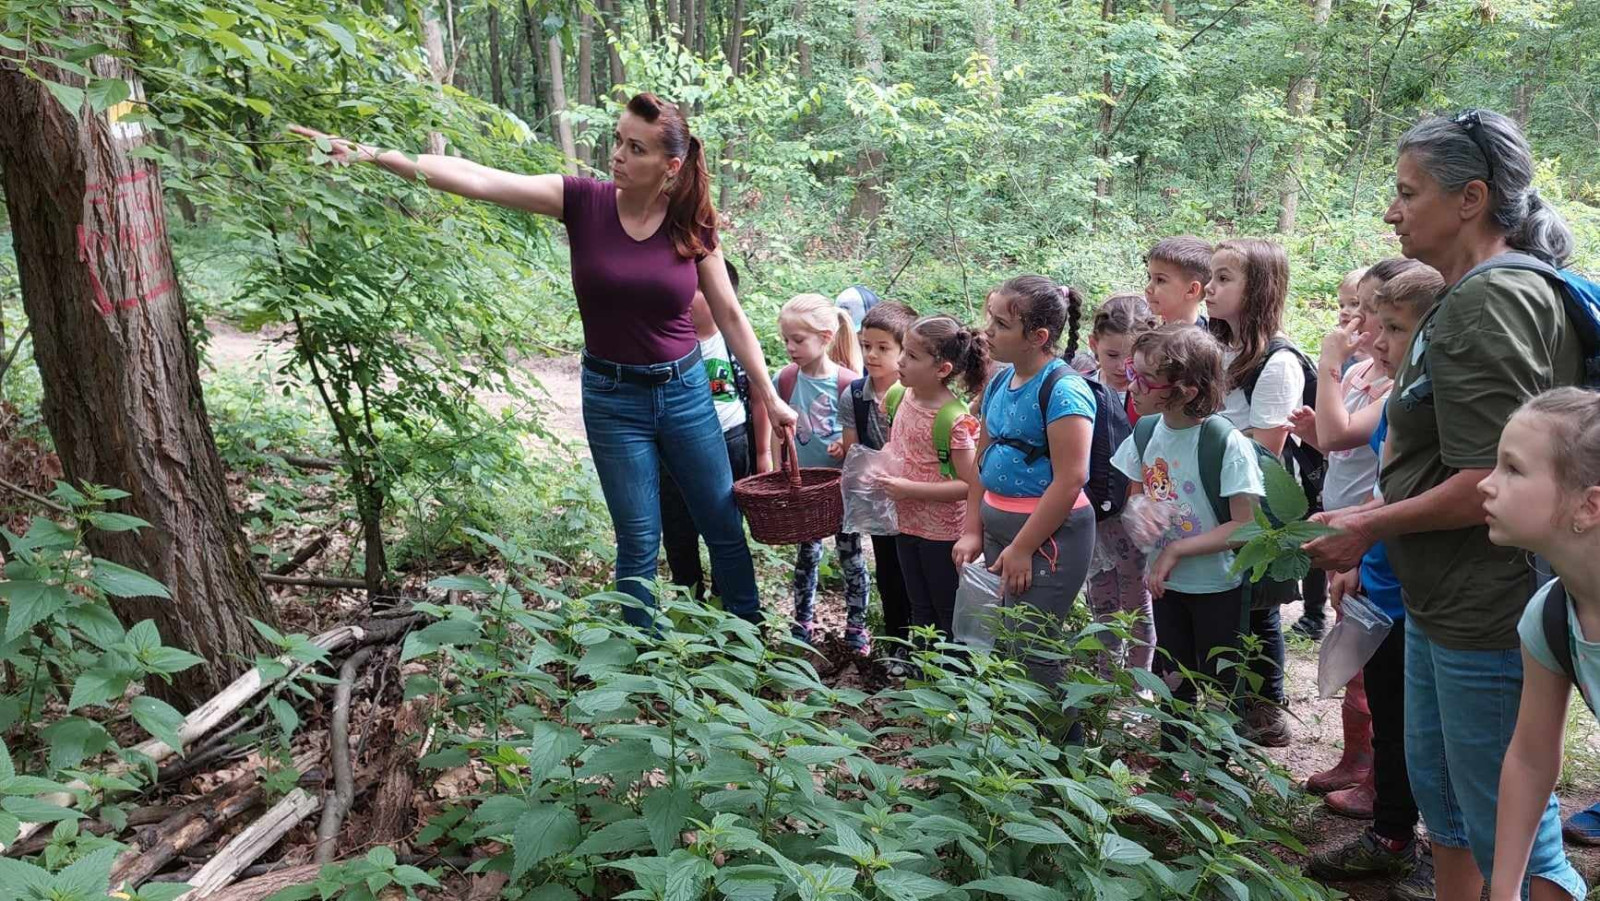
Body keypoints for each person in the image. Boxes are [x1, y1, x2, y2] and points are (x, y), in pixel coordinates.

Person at [287, 94, 796, 630]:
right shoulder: (581, 201)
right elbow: (478, 178)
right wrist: (373, 155)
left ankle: (747, 639)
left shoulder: (691, 225)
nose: (617, 154)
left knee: (719, 521)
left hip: (685, 390)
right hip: (612, 397)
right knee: (639, 537)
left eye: (635, 147)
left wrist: (770, 395)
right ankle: (641, 659)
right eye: (618, 140)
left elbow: (732, 317)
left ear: (670, 167)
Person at [1306, 108, 1586, 901]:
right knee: (1451, 810)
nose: (1391, 211)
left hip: (1485, 604)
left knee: (1512, 827)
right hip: (1441, 600)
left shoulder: (1488, 304)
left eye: (1407, 192)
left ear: (1470, 199)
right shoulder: (1463, 295)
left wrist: (1365, 524)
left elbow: (1492, 482)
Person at [1305, 264, 1443, 901]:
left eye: (1394, 327)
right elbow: (1390, 487)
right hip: (1381, 578)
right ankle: (1391, 835)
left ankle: (1446, 856)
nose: (1379, 339)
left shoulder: (1435, 398)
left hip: (1425, 593)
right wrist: (1361, 551)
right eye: (1376, 323)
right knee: (1391, 715)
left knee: (1429, 732)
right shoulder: (1404, 393)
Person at [1288, 260, 1407, 812]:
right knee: (1351, 653)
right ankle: (1356, 758)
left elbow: (1347, 438)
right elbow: (1335, 445)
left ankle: (1378, 777)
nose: (1350, 319)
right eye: (1346, 306)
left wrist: (1328, 363)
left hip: (1371, 535)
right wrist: (1313, 433)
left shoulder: (1394, 386)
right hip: (1348, 532)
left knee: (1371, 665)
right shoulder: (1361, 377)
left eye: (1362, 309)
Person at [1113, 324, 1264, 752]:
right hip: (1167, 584)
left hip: (1217, 585)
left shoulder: (1225, 443)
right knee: (1171, 673)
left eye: (1144, 379)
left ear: (1188, 390)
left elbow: (1245, 526)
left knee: (1220, 680)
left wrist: (1177, 547)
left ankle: (1215, 769)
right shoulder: (1145, 431)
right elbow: (1138, 487)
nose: (1131, 385)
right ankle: (1172, 757)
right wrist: (1140, 510)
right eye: (1130, 370)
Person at [953, 276, 1097, 691]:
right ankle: (1011, 748)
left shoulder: (1064, 390)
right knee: (1002, 646)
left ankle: (1060, 752)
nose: (988, 332)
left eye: (1001, 324)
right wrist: (971, 529)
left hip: (1050, 540)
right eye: (990, 320)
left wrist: (1022, 548)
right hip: (1002, 534)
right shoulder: (1000, 379)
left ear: (1038, 337)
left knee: (1034, 651)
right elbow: (983, 458)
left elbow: (1071, 479)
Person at [1480, 389, 1596, 901]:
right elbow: (1529, 758)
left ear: (1588, 505)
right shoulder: (1551, 617)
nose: (1486, 484)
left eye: (1512, 469)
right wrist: (1504, 891)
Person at [1206, 237, 1305, 746]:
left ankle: (1265, 708)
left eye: (1225, 278)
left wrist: (1204, 440)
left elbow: (1267, 443)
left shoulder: (1277, 361)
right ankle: (1223, 696)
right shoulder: (1217, 346)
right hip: (1210, 490)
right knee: (1219, 598)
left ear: (1260, 287)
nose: (1210, 288)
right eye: (1212, 276)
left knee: (1257, 605)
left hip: (1255, 500)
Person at [659, 262, 774, 601]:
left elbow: (758, 398)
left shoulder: (736, 342)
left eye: (694, 290)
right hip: (674, 446)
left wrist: (763, 453)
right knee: (677, 528)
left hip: (729, 442)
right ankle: (688, 599)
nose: (684, 298)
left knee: (725, 524)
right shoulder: (669, 343)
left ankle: (729, 601)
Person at [877, 316, 987, 641]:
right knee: (918, 606)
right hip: (905, 523)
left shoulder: (952, 420)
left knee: (945, 609)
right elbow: (895, 445)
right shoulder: (898, 397)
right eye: (903, 352)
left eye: (912, 356)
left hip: (942, 535)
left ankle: (951, 681)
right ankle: (923, 677)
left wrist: (908, 488)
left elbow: (971, 485)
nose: (900, 361)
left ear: (942, 369)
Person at [775, 294, 870, 654]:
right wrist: (776, 470)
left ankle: (857, 626)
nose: (790, 347)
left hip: (838, 489)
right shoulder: (785, 379)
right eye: (786, 339)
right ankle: (802, 620)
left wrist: (845, 449)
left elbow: (858, 438)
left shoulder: (847, 383)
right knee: (806, 554)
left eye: (798, 340)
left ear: (826, 337)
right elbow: (777, 430)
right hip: (803, 487)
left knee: (852, 555)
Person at [835, 301, 920, 671]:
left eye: (883, 348)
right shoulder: (854, 395)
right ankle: (895, 641)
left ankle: (926, 646)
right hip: (880, 498)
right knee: (888, 569)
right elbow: (854, 452)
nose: (872, 354)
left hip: (919, 498)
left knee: (919, 572)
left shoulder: (918, 395)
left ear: (904, 351)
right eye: (866, 345)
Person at [1085, 294, 1160, 674]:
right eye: (1112, 356)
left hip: (1135, 516)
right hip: (1094, 513)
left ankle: (1137, 682)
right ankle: (1105, 671)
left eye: (1130, 359)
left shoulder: (1150, 397)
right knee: (1101, 597)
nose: (1121, 368)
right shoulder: (1082, 390)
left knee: (1136, 600)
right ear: (1093, 345)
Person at [1145, 236, 1214, 327]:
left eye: (1160, 280)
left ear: (1191, 290)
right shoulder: (1142, 330)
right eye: (1149, 277)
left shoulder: (1207, 340)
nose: (1148, 289)